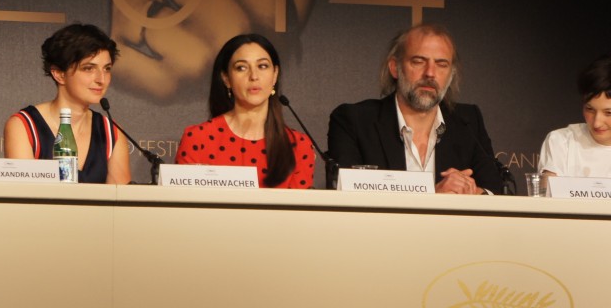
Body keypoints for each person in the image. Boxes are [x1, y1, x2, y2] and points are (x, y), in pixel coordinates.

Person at [328, 23, 501, 194]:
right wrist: (435, 196)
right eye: (418, 62)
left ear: (451, 74)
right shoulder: (354, 121)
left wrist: (470, 191)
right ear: (395, 68)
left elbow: (496, 191)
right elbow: (347, 198)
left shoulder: (468, 122)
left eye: (441, 64)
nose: (430, 73)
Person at [175, 34, 314, 188]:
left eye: (262, 66)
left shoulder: (298, 145)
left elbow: (299, 204)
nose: (254, 76)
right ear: (226, 78)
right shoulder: (198, 138)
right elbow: (184, 201)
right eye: (241, 68)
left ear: (275, 75)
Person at [3, 23, 131, 184]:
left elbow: (120, 198)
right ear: (59, 74)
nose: (101, 79)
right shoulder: (24, 126)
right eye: (88, 68)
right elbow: (24, 195)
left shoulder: (112, 132)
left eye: (107, 69)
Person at [538, 55, 611, 178]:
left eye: (608, 113)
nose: (597, 123)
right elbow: (550, 190)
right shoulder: (562, 141)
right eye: (589, 109)